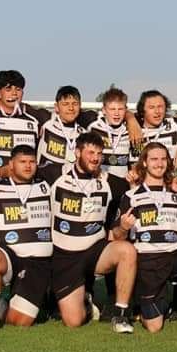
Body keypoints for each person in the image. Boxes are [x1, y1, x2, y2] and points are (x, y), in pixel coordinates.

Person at [112, 142, 177, 335]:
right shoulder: (130, 196)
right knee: (154, 326)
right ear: (144, 163)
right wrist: (123, 227)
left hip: (175, 257)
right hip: (147, 261)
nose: (159, 163)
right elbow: (116, 236)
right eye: (154, 159)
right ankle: (141, 303)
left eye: (163, 159)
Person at [47, 131, 137, 333]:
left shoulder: (108, 180)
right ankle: (86, 300)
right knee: (74, 321)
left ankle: (121, 315)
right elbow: (25, 168)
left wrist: (169, 184)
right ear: (77, 152)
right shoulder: (56, 174)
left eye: (99, 153)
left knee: (127, 251)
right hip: (66, 257)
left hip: (95, 252)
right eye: (90, 152)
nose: (95, 158)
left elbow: (137, 187)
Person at [0, 145, 54, 333]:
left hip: (37, 262)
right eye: (22, 162)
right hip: (8, 256)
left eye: (32, 162)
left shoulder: (47, 184)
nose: (28, 166)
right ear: (11, 165)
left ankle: (1, 307)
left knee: (20, 322)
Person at [0, 70, 46, 170]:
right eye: (8, 89)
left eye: (18, 89)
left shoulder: (36, 117)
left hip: (25, 183)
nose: (14, 93)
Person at [129, 90, 177, 168]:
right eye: (151, 107)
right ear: (143, 110)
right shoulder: (131, 126)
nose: (157, 111)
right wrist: (129, 117)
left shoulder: (176, 124)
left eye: (160, 106)